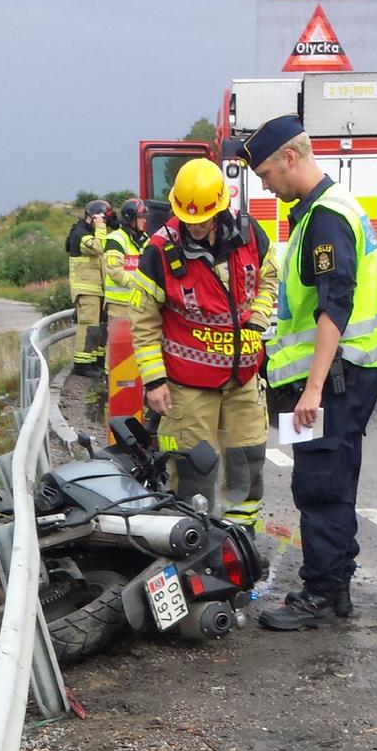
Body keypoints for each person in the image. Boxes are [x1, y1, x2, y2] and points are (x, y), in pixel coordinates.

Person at [237, 115, 377, 631]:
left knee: (320, 485)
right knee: (333, 481)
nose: (263, 183)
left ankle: (321, 592)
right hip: (333, 379)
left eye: (265, 173)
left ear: (291, 158)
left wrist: (315, 389)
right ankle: (336, 586)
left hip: (328, 382)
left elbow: (334, 307)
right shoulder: (318, 213)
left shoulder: (325, 217)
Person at [129, 159, 278, 526]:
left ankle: (241, 541)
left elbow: (269, 279)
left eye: (203, 218)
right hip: (188, 386)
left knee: (247, 460)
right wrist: (154, 381)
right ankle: (196, 545)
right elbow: (144, 323)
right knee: (194, 469)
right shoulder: (159, 251)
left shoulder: (250, 234)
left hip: (242, 379)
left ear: (220, 208)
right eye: (187, 218)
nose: (194, 226)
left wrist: (257, 320)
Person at [66, 200, 112, 377]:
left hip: (97, 289)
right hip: (86, 290)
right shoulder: (80, 233)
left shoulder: (89, 233)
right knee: (88, 327)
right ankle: (82, 364)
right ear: (93, 217)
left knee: (99, 327)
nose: (104, 223)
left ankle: (95, 360)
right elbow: (99, 248)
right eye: (101, 219)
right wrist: (100, 227)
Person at [102, 197, 149, 372]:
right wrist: (139, 285)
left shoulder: (145, 239)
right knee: (117, 345)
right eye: (141, 217)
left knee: (137, 344)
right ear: (131, 219)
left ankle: (135, 383)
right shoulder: (116, 239)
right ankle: (111, 379)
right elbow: (115, 272)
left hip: (138, 303)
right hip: (118, 304)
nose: (145, 221)